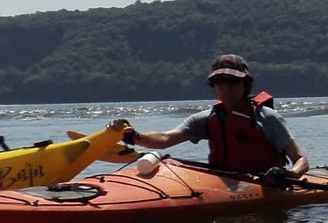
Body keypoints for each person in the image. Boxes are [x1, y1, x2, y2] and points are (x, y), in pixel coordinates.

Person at [118, 54, 309, 183]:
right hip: (222, 184)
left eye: (232, 81)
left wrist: (290, 175)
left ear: (245, 84)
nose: (225, 87)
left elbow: (301, 160)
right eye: (219, 81)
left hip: (264, 184)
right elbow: (166, 139)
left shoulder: (267, 118)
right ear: (213, 86)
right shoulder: (207, 119)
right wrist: (135, 136)